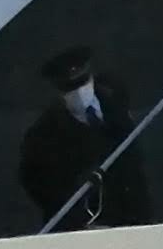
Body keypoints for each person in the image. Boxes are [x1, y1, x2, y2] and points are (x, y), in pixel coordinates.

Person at [17, 45, 152, 229]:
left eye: (82, 82)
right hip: (94, 225)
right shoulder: (43, 136)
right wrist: (81, 226)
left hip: (135, 212)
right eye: (70, 88)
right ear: (59, 91)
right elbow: (43, 190)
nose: (79, 92)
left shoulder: (113, 100)